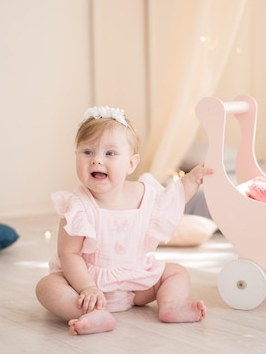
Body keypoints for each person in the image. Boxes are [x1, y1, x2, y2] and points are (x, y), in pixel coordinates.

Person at [35, 106, 213, 335]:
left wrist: (191, 181)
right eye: (87, 152)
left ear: (131, 163)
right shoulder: (77, 205)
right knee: (47, 287)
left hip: (136, 283)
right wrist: (87, 287)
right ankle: (91, 314)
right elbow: (68, 254)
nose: (97, 160)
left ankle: (170, 306)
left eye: (110, 154)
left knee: (176, 272)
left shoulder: (145, 193)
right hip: (86, 286)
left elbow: (171, 200)